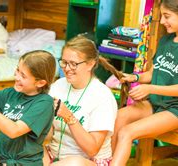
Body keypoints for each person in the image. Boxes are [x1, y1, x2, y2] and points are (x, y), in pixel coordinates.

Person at [111, 0, 178, 165]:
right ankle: (107, 162)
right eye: (162, 16)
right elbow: (152, 73)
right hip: (157, 103)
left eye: (166, 16)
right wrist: (136, 77)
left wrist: (150, 88)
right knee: (119, 117)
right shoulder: (166, 41)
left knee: (127, 132)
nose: (162, 21)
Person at [44, 35, 123, 166]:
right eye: (64, 62)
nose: (67, 68)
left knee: (74, 163)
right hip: (54, 157)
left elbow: (92, 149)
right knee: (11, 146)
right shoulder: (58, 86)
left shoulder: (102, 96)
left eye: (73, 64)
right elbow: (48, 136)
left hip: (88, 161)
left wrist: (68, 117)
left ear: (90, 64)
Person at [0, 50, 57, 165]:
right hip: (4, 161)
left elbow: (14, 130)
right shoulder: (11, 93)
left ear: (40, 83)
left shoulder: (44, 103)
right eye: (17, 70)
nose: (16, 77)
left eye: (23, 76)